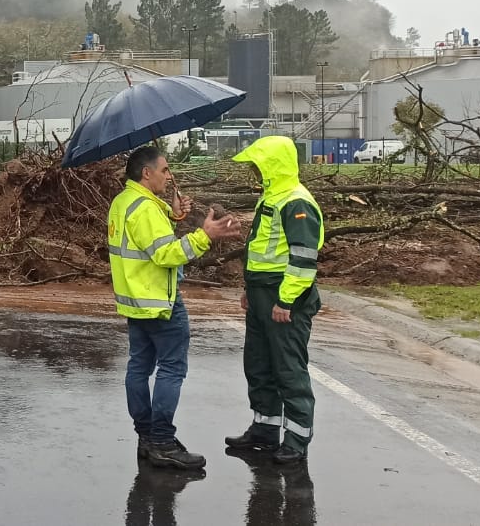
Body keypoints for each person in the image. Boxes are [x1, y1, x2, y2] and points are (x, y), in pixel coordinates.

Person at [109, 146, 240, 470]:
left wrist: (174, 211)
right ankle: (163, 442)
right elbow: (165, 253)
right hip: (160, 304)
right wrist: (204, 236)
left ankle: (147, 437)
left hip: (135, 302)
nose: (170, 176)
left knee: (139, 367)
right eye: (165, 170)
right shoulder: (146, 210)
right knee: (171, 370)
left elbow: (145, 235)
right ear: (146, 173)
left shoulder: (124, 202)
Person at [225, 136, 325, 464]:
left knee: (288, 369)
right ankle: (265, 429)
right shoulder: (272, 196)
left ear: (271, 166)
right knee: (259, 365)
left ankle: (297, 438)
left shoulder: (297, 202)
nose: (252, 171)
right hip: (261, 294)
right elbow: (262, 251)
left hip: (284, 297)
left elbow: (303, 259)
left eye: (256, 165)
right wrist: (249, 290)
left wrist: (285, 301)